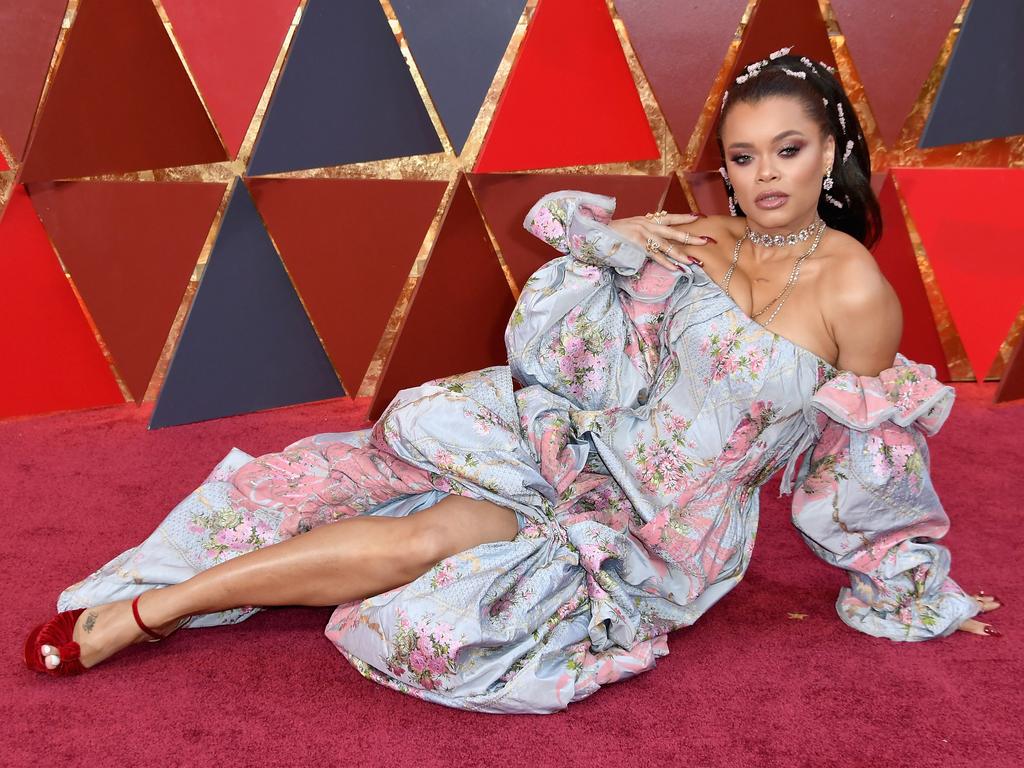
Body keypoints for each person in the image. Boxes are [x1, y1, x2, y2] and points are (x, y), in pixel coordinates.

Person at [25, 49, 1001, 714]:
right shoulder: (699, 237)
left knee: (429, 543)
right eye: (741, 157)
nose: (763, 176)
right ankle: (151, 612)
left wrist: (904, 580)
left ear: (830, 148)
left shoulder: (855, 292)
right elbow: (572, 295)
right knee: (417, 525)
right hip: (572, 443)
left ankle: (151, 615)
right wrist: (616, 243)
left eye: (786, 150)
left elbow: (858, 461)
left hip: (658, 524)